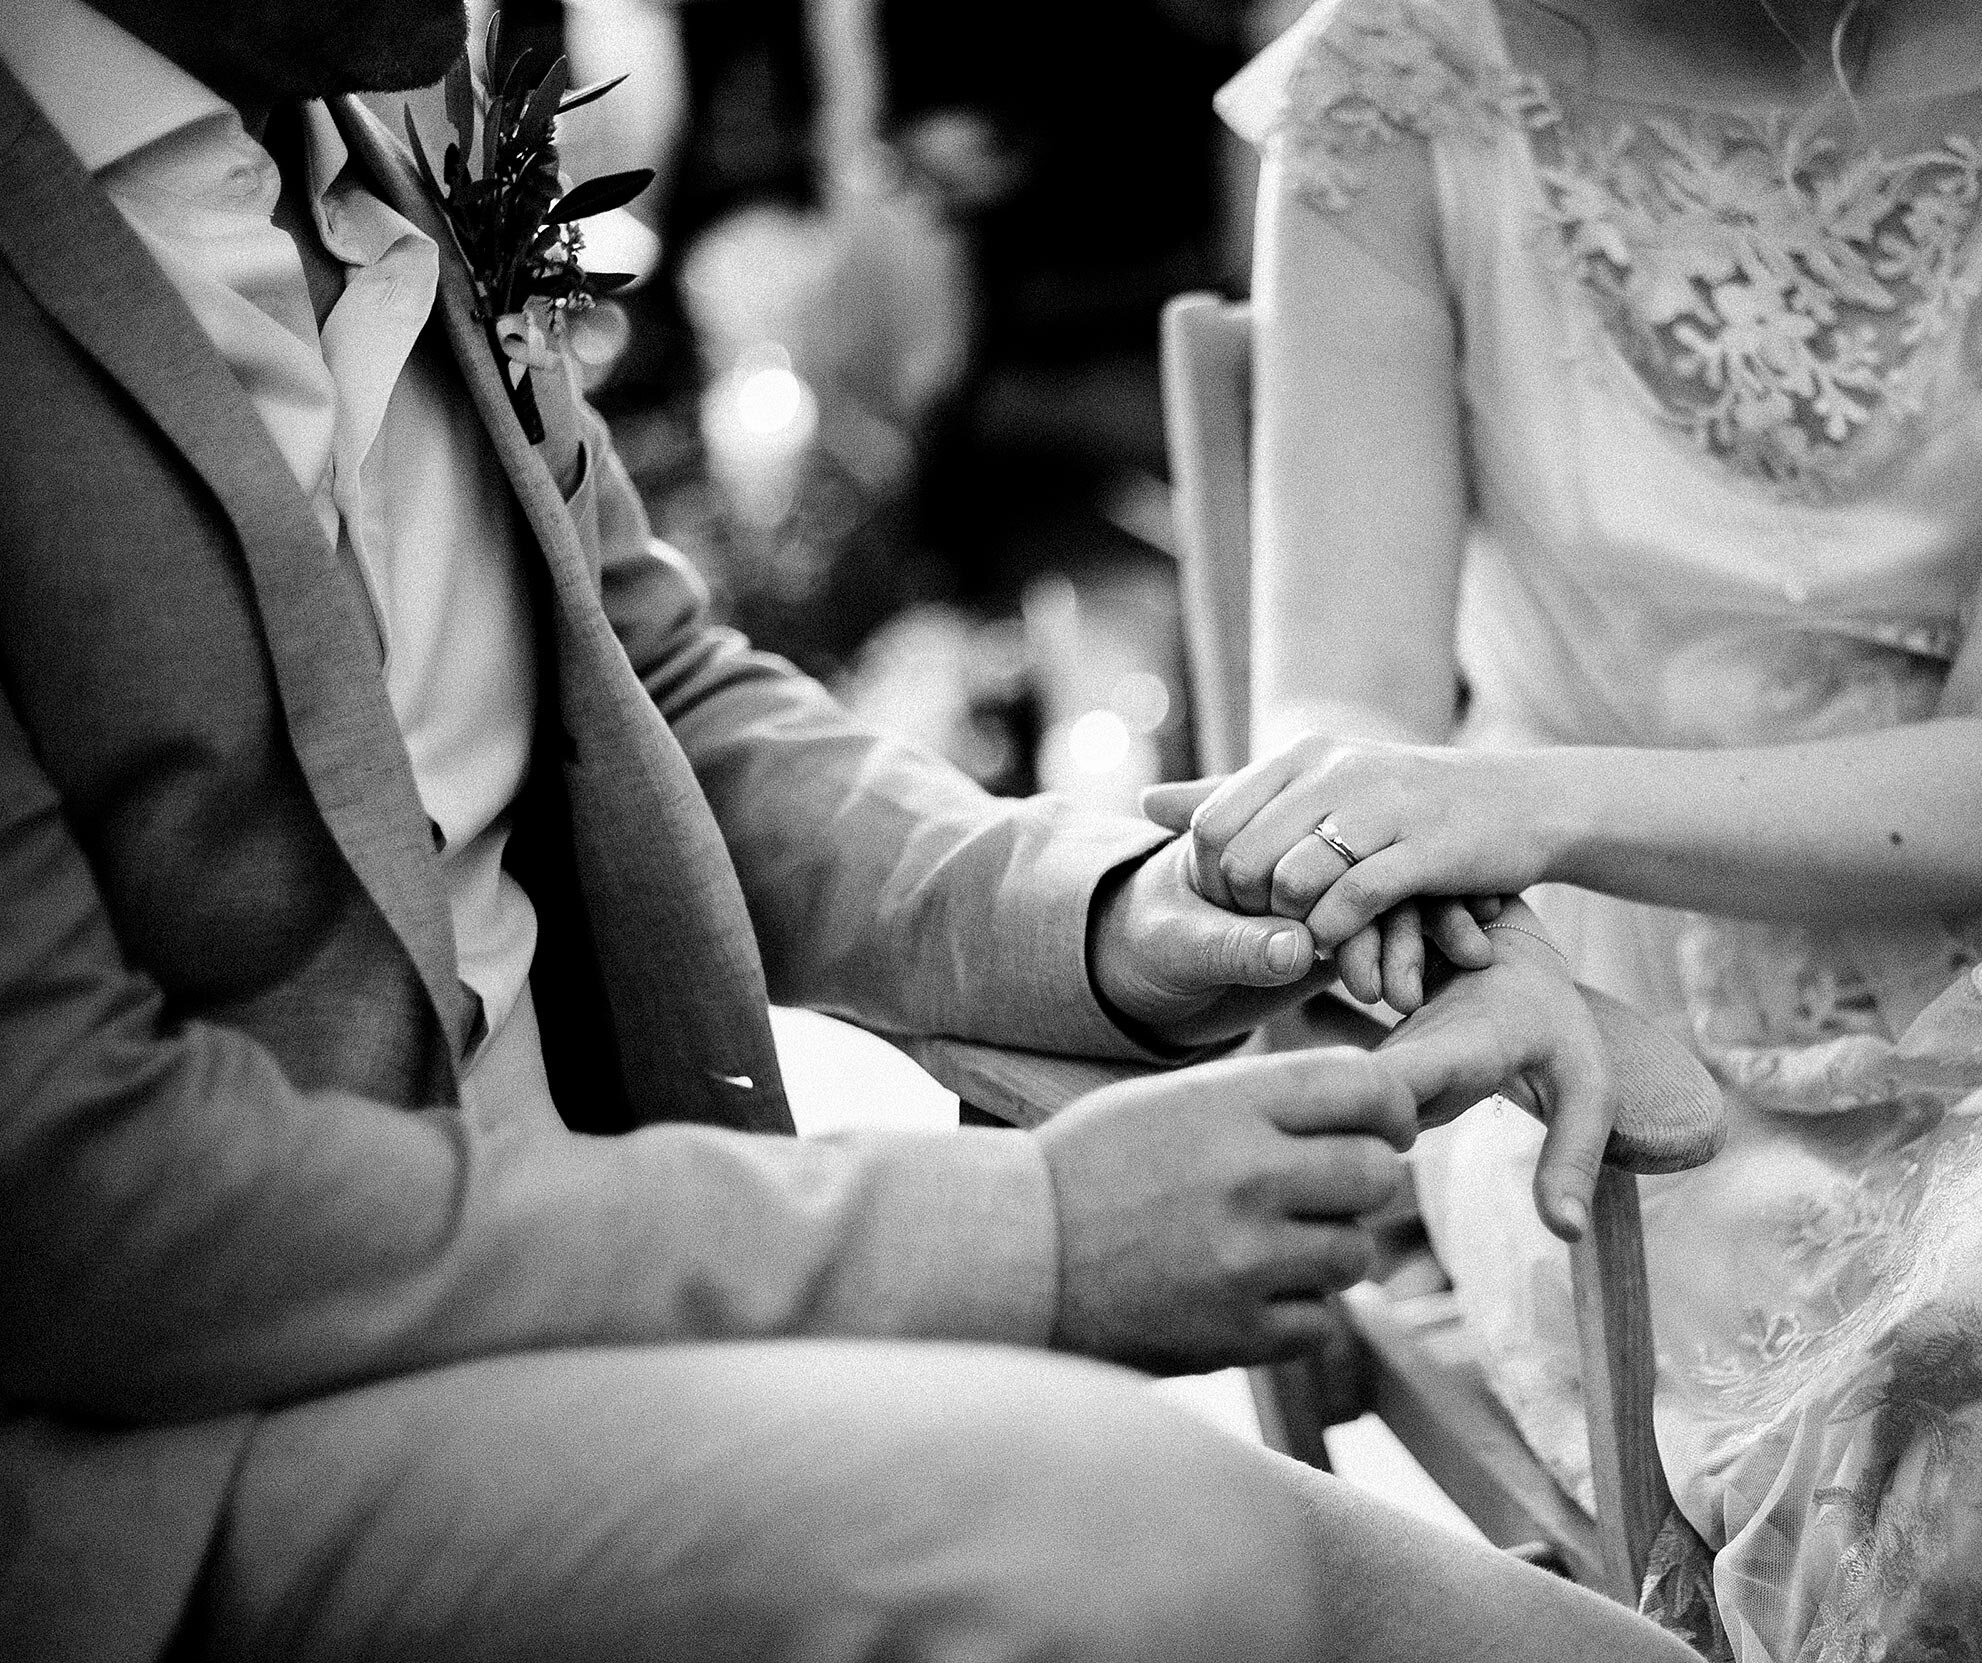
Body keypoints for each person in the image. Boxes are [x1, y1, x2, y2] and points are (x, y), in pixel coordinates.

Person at [0, 2, 1710, 1659]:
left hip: (622, 1285)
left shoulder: (376, 106)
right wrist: (1018, 1241)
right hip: (176, 1452)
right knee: (1139, 1531)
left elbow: (645, 686)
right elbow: (79, 1189)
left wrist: (1108, 914)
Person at [1162, 0, 1982, 1654]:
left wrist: (1506, 806)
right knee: (1965, 1420)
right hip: (1606, 978)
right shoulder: (1402, 76)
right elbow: (1339, 695)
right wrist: (1361, 822)